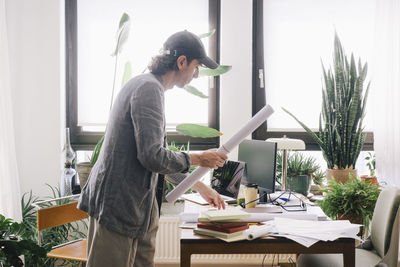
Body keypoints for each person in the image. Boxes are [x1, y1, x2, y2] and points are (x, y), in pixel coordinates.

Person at [78, 30, 227, 267]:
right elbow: (152, 157)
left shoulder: (149, 86)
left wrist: (199, 187)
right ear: (181, 62)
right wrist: (199, 158)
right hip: (119, 208)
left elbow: (159, 158)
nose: (197, 75)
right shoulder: (149, 89)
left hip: (139, 212)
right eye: (196, 67)